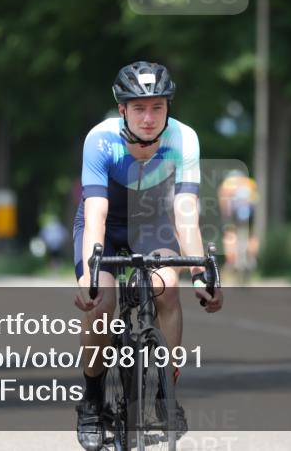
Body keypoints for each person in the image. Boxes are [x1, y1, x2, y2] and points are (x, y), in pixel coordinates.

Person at [72, 61, 223, 451]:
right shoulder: (99, 140)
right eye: (138, 108)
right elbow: (95, 218)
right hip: (104, 223)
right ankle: (91, 402)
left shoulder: (184, 139)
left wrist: (200, 275)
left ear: (168, 108)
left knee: (167, 287)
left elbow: (185, 213)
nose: (149, 117)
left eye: (157, 107)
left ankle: (164, 394)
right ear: (122, 109)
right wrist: (90, 277)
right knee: (101, 300)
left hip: (152, 224)